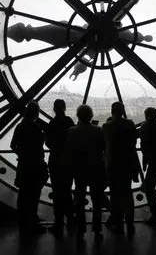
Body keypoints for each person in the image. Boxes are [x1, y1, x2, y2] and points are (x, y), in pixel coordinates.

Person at [65, 104, 106, 242]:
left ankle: (81, 228)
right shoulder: (98, 130)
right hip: (95, 169)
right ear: (91, 115)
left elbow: (69, 151)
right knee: (97, 201)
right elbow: (103, 148)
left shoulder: (72, 131)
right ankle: (97, 229)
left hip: (79, 169)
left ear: (78, 115)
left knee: (80, 200)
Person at [102, 101, 140, 236]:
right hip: (127, 164)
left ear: (112, 111)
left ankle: (118, 223)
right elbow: (134, 142)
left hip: (112, 165)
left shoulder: (106, 126)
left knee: (115, 195)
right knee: (127, 194)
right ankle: (130, 223)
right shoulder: (130, 124)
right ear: (123, 110)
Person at [10, 101, 48, 234]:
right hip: (36, 165)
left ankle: (24, 221)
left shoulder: (20, 127)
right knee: (34, 195)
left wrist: (22, 155)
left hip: (25, 165)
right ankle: (32, 220)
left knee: (24, 195)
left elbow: (13, 145)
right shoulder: (36, 128)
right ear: (36, 112)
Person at [44, 99, 76, 233]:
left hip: (55, 162)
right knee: (67, 192)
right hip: (68, 162)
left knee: (57, 193)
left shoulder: (52, 124)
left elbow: (48, 143)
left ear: (54, 108)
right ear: (64, 108)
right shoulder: (69, 122)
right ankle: (70, 219)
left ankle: (59, 222)